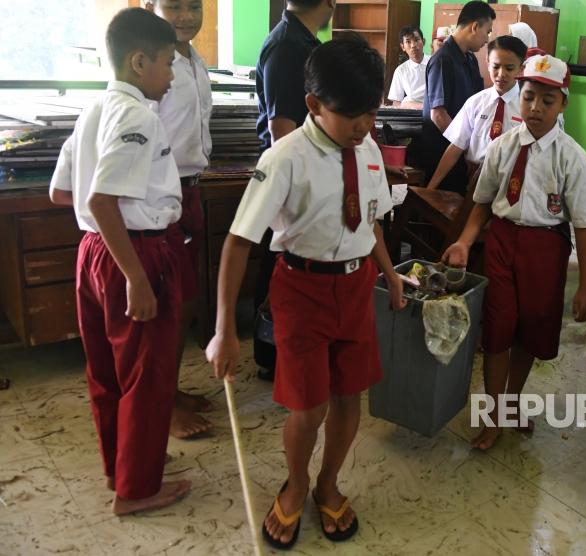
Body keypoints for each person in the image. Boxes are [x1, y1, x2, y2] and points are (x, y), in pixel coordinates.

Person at [206, 36, 407, 549]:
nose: (364, 125)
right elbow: (236, 242)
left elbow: (372, 224)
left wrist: (390, 275)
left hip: (356, 286)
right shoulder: (285, 158)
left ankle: (328, 482)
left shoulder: (367, 151)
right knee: (308, 406)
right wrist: (224, 329)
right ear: (314, 105)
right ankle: (296, 485)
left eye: (372, 111)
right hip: (302, 290)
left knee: (348, 397)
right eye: (352, 115)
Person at [49, 8, 191, 514]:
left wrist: (106, 234)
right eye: (168, 63)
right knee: (147, 377)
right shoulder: (137, 116)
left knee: (107, 372)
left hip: (94, 252)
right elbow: (101, 201)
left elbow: (62, 192)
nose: (172, 76)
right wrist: (135, 273)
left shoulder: (92, 110)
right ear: (139, 61)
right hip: (134, 252)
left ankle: (122, 466)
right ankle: (136, 491)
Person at [443, 54, 586, 450]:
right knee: (497, 330)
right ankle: (494, 413)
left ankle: (511, 402)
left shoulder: (572, 158)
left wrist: (584, 285)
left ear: (563, 104)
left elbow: (584, 223)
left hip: (545, 249)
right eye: (529, 97)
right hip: (502, 242)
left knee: (530, 329)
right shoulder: (503, 146)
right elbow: (482, 202)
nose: (535, 108)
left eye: (548, 101)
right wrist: (464, 240)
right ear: (520, 96)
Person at [145, 0, 214, 440]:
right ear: (150, 6)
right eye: (174, 5)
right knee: (166, 305)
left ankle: (169, 388)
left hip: (190, 188)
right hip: (161, 195)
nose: (186, 15)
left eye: (194, 5)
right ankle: (160, 404)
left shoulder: (192, 57)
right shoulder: (150, 63)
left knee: (185, 301)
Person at [253, 0, 332, 381]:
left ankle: (288, 352)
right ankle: (274, 356)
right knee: (280, 265)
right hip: (288, 178)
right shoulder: (287, 47)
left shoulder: (304, 42)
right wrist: (301, 186)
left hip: (300, 171)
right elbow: (281, 128)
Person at [426, 35, 527, 190]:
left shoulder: (527, 107)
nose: (501, 74)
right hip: (475, 180)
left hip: (513, 182)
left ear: (521, 68)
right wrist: (431, 187)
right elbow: (455, 147)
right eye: (496, 66)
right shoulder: (476, 102)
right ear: (487, 62)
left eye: (509, 68)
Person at [422, 1, 495, 194]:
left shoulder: (469, 59)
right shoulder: (443, 59)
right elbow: (438, 115)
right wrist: (463, 148)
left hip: (462, 154)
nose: (488, 39)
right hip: (443, 152)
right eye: (487, 32)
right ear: (475, 26)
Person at [387, 25, 429, 109]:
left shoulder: (435, 63)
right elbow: (396, 103)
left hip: (433, 110)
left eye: (416, 40)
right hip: (411, 112)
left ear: (423, 42)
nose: (413, 45)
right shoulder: (401, 70)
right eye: (408, 42)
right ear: (403, 47)